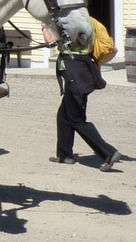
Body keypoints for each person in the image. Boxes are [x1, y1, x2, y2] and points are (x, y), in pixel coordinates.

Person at [45, 23, 121, 172]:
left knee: (77, 120)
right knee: (63, 116)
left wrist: (44, 26)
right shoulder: (89, 21)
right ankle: (64, 154)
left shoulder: (66, 23)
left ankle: (108, 153)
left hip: (74, 73)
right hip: (84, 70)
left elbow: (50, 42)